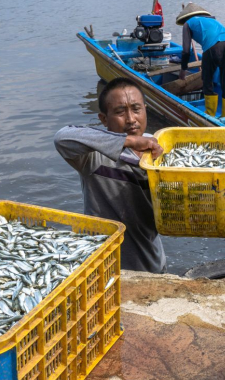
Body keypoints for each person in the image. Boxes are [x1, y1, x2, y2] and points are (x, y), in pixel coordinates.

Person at [54, 77, 167, 273]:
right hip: (105, 268)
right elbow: (62, 138)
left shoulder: (162, 149)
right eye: (120, 112)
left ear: (145, 110)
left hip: (152, 263)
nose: (131, 119)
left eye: (136, 109)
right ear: (104, 119)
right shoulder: (93, 157)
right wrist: (128, 141)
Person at [176, 3, 225, 118]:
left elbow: (186, 51)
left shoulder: (187, 24)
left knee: (207, 80)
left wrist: (183, 69)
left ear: (185, 18)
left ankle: (210, 114)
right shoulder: (211, 20)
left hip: (213, 47)